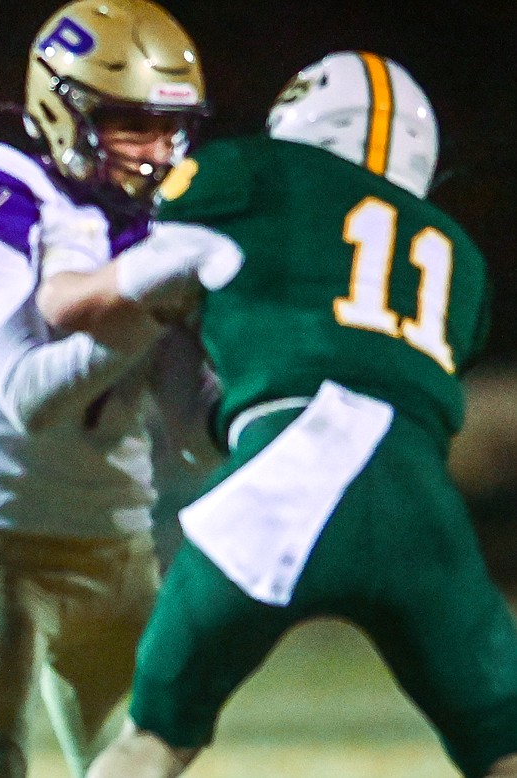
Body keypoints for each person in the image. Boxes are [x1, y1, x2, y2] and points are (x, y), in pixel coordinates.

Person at [36, 50, 517, 778]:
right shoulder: (461, 263)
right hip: (424, 507)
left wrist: (58, 267)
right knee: (501, 747)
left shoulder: (257, 180)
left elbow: (77, 306)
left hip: (297, 471)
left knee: (157, 736)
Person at [0, 2, 215, 776]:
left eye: (172, 128)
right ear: (63, 110)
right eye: (132, 125)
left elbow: (194, 423)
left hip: (119, 535)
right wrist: (155, 299)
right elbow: (28, 392)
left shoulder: (159, 225)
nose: (158, 153)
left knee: (143, 762)